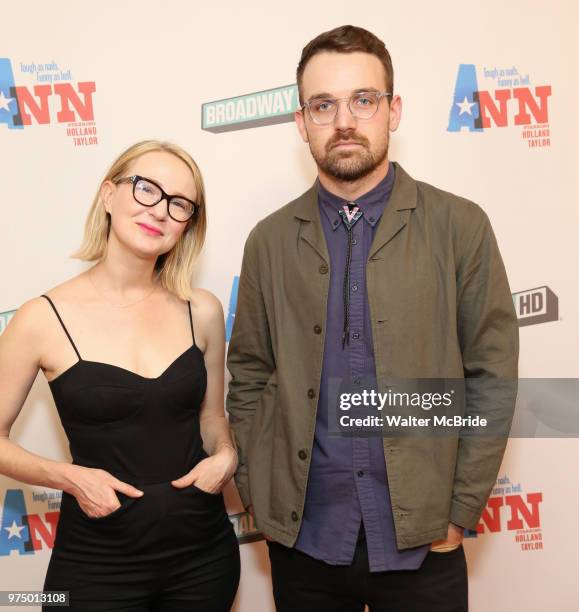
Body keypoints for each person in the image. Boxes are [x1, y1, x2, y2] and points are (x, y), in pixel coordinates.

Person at [226, 25, 518, 612]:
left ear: (394, 110)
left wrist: (460, 511)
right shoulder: (270, 241)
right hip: (305, 541)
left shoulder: (460, 226)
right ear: (301, 121)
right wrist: (259, 494)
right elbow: (250, 376)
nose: (344, 121)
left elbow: (492, 375)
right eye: (323, 104)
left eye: (364, 100)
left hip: (422, 541)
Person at [0, 140, 240, 611]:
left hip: (203, 557)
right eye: (146, 189)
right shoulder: (41, 318)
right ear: (109, 195)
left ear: (189, 223)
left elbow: (213, 418)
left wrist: (227, 454)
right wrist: (69, 477)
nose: (161, 211)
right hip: (96, 564)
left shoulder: (203, 310)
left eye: (180, 204)